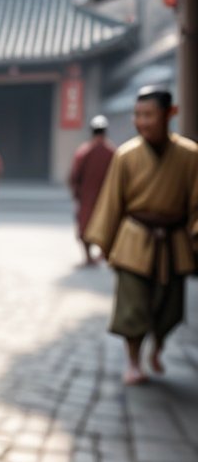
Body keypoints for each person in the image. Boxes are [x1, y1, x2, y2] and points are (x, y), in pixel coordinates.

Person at [84, 86, 198, 385]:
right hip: (134, 240)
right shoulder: (126, 155)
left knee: (170, 308)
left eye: (149, 115)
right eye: (138, 115)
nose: (142, 122)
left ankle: (158, 346)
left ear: (170, 113)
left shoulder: (190, 155)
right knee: (132, 306)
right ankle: (133, 361)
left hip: (174, 242)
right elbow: (112, 201)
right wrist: (105, 242)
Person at [69, 115, 116, 266]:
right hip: (106, 198)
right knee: (106, 226)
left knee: (85, 228)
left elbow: (74, 176)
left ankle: (88, 257)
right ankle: (103, 253)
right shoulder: (113, 152)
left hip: (87, 198)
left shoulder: (84, 151)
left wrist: (76, 193)